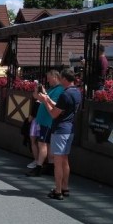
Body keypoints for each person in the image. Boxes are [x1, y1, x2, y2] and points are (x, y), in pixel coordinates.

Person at [37, 67, 82, 200]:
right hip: (69, 129)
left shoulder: (65, 94)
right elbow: (61, 108)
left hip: (60, 130)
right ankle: (65, 187)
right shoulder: (77, 92)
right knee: (64, 160)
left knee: (58, 162)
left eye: (61, 78)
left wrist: (45, 101)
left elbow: (54, 114)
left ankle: (58, 190)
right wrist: (49, 100)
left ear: (64, 79)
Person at [26, 70, 63, 177]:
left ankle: (38, 167)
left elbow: (52, 104)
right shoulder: (53, 89)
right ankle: (50, 166)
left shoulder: (59, 90)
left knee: (42, 144)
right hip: (44, 120)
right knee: (47, 144)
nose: (47, 80)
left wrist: (44, 95)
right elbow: (38, 98)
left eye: (49, 78)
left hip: (48, 121)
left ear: (55, 77)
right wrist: (38, 92)